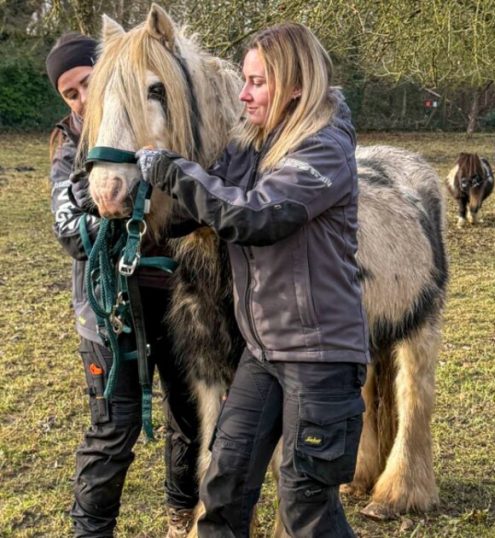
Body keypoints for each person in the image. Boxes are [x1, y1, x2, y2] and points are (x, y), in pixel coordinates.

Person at [136, 22, 368, 537]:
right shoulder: (255, 143)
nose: (244, 94)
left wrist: (171, 171)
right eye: (244, 80)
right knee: (224, 487)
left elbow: (257, 216)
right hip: (263, 354)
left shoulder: (324, 147)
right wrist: (138, 199)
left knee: (306, 510)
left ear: (297, 86)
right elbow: (203, 206)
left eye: (258, 82)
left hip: (320, 358)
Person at [46, 33, 202, 538]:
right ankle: (91, 532)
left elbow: (192, 208)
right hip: (107, 309)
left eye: (89, 82)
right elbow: (69, 231)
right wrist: (110, 211)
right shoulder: (70, 145)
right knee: (114, 428)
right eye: (71, 94)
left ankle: (182, 512)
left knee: (189, 412)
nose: (83, 99)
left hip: (176, 299)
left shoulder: (155, 123)